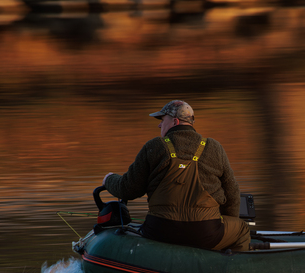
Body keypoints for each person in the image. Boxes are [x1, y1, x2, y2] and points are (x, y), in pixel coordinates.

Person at [102, 100, 250, 251]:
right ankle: (230, 267)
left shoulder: (154, 146)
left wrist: (109, 179)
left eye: (162, 120)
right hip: (206, 233)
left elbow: (128, 189)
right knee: (242, 229)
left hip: (159, 231)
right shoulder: (214, 147)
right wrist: (223, 222)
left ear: (174, 121)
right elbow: (232, 193)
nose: (159, 125)